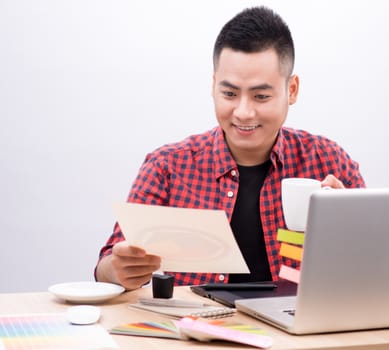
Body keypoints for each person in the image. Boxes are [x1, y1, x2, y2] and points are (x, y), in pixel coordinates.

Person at [95, 6, 365, 290]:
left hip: (299, 330)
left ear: (292, 90)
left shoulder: (328, 161)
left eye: (261, 95)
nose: (244, 112)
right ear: (213, 86)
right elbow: (107, 265)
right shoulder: (167, 167)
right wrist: (118, 269)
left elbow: (378, 263)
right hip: (195, 329)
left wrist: (351, 231)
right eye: (229, 94)